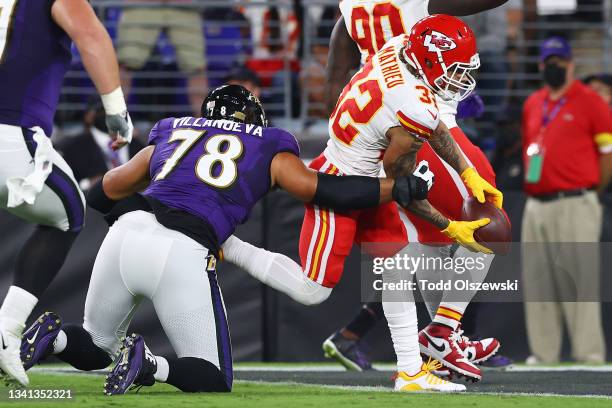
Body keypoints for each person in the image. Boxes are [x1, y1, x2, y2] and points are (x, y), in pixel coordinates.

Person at [19, 85, 430, 394]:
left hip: (127, 232)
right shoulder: (268, 144)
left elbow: (104, 191)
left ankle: (52, 338)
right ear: (253, 119)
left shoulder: (172, 132)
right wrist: (394, 188)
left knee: (95, 346)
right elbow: (321, 190)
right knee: (212, 376)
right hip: (182, 248)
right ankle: (150, 367)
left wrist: (132, 224)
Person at [222, 15, 502, 391]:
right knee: (312, 290)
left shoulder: (400, 47)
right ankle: (227, 245)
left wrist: (468, 172)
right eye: (454, 68)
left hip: (367, 170)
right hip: (340, 185)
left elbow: (431, 123)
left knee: (401, 261)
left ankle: (410, 372)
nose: (460, 79)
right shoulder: (412, 104)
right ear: (432, 61)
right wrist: (449, 226)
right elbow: (399, 184)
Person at [320, 0, 512, 377]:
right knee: (489, 220)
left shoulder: (350, 8)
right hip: (421, 120)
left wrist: (355, 139)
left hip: (380, 126)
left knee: (430, 236)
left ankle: (442, 340)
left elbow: (335, 78)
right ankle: (442, 331)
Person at [0, 0, 133, 387]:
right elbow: (90, 32)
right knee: (69, 213)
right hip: (11, 129)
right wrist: (115, 107)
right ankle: (7, 329)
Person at [521, 37, 612, 365]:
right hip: (536, 202)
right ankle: (544, 354)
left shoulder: (591, 102)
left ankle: (589, 354)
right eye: (549, 61)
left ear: (571, 64)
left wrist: (591, 190)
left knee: (582, 282)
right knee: (538, 282)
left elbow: (608, 154)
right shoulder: (533, 103)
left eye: (560, 60)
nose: (555, 66)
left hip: (576, 200)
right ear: (541, 65)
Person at [116, 1, 208, 116]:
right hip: (141, 5)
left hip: (185, 6)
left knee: (196, 68)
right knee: (126, 63)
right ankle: (116, 123)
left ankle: (205, 125)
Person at [57, 102, 145, 191]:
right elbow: (64, 185)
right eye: (104, 108)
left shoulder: (140, 147)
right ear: (90, 115)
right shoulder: (71, 148)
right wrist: (87, 184)